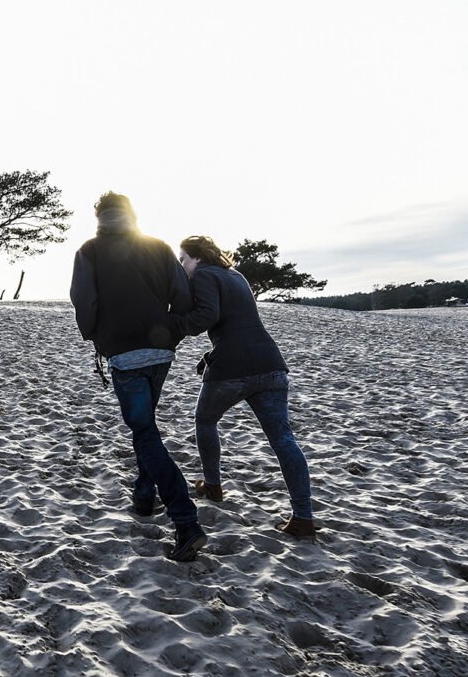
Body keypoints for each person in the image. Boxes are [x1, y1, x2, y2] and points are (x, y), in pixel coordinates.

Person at [70, 193, 207, 562]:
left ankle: (186, 522)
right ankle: (144, 497)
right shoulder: (158, 247)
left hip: (125, 356)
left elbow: (85, 303)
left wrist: (98, 337)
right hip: (161, 354)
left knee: (145, 434)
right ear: (131, 214)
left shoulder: (89, 251)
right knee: (146, 428)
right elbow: (182, 299)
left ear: (99, 216)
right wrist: (169, 332)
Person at [171, 235, 317, 537]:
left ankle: (212, 486)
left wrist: (172, 325)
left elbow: (206, 317)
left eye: (183, 258)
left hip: (231, 370)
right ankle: (303, 517)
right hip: (270, 364)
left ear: (196, 258)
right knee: (283, 439)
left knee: (205, 420)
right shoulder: (236, 275)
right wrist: (211, 353)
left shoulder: (202, 275)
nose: (181, 265)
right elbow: (239, 324)